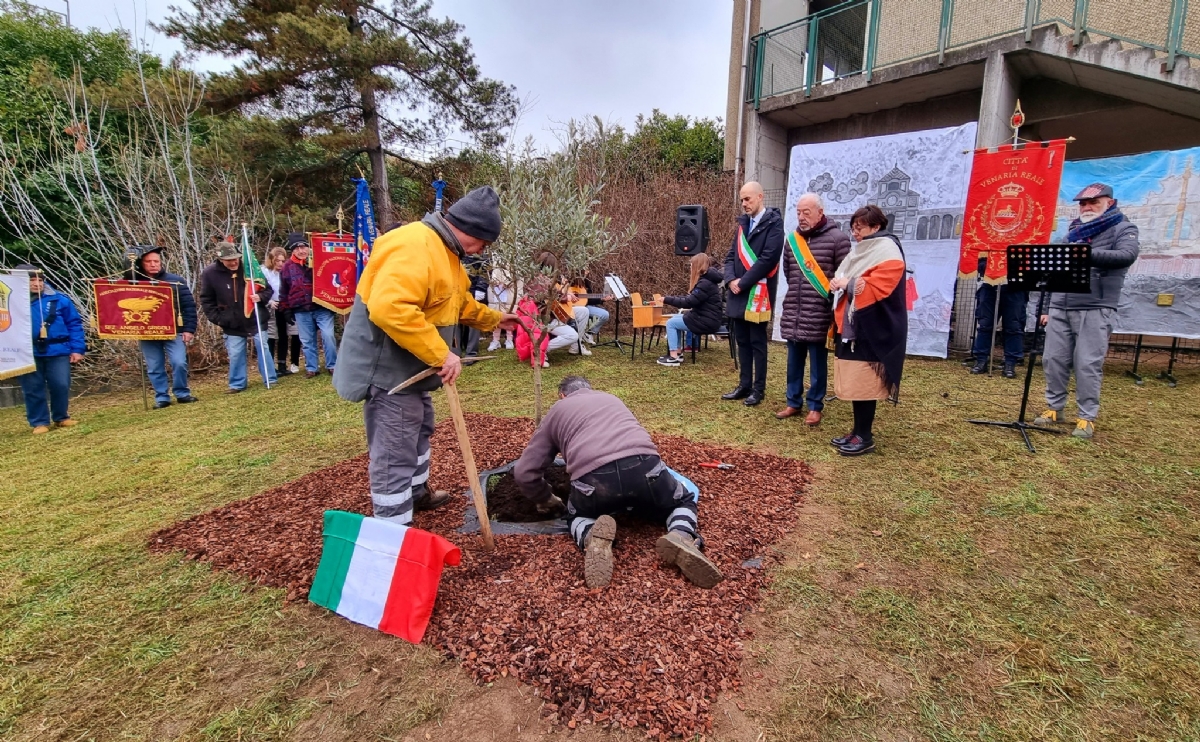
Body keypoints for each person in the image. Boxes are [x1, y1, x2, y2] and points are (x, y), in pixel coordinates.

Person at [333, 186, 519, 522]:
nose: (482, 250)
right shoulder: (413, 245)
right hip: (389, 370)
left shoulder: (446, 253)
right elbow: (391, 309)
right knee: (395, 445)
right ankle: (393, 528)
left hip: (412, 370)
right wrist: (441, 354)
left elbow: (455, 302)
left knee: (419, 428)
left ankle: (416, 494)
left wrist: (494, 318)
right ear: (471, 231)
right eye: (483, 242)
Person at [513, 375, 723, 589]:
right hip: (644, 469)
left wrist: (546, 499)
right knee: (682, 501)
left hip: (595, 482)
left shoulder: (558, 410)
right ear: (590, 389)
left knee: (576, 516)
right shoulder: (611, 399)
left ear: (562, 395)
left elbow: (524, 472)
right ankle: (682, 534)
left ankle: (591, 537)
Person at [1034, 183, 1139, 440]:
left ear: (1110, 203)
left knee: (1087, 363)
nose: (1087, 207)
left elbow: (1126, 256)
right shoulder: (1073, 231)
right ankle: (1054, 408)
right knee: (1053, 360)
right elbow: (1055, 269)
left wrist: (1082, 253)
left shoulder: (1123, 228)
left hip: (1095, 306)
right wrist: (1048, 306)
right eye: (1083, 203)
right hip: (1060, 304)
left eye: (1093, 202)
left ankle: (1086, 417)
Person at [829, 205, 908, 457]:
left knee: (865, 384)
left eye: (860, 227)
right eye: (853, 227)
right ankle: (856, 431)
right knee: (856, 382)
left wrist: (848, 283)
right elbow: (848, 277)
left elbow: (880, 287)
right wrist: (839, 282)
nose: (856, 232)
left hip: (871, 327)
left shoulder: (887, 250)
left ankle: (865, 436)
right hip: (854, 326)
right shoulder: (862, 250)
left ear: (876, 227)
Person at [777, 193, 851, 426]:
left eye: (806, 213)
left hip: (820, 311)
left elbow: (844, 276)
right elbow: (790, 274)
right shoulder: (792, 241)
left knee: (818, 363)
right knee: (793, 361)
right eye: (798, 212)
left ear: (820, 212)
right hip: (794, 311)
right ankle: (793, 401)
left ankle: (815, 406)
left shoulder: (838, 239)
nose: (801, 217)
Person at [722, 181, 784, 407]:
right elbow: (730, 257)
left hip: (758, 293)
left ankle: (759, 389)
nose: (744, 204)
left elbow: (769, 259)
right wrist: (730, 280)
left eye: (747, 199)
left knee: (758, 343)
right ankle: (744, 385)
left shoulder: (774, 224)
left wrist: (743, 282)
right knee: (742, 342)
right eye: (741, 200)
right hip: (738, 292)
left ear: (760, 196)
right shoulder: (742, 225)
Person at [14, 264, 86, 433]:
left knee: (60, 384)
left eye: (40, 280)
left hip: (58, 348)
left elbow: (74, 324)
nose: (37, 284)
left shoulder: (59, 300)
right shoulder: (12, 302)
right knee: (33, 388)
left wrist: (77, 349)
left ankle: (61, 417)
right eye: (32, 280)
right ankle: (39, 422)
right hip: (27, 351)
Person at [198, 241, 277, 393]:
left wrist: (260, 297)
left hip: (255, 317)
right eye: (229, 260)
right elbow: (206, 299)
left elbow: (268, 290)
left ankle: (270, 378)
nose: (234, 262)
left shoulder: (250, 269)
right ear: (221, 259)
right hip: (231, 322)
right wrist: (219, 318)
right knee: (235, 353)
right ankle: (237, 383)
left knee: (263, 348)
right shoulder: (210, 273)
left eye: (236, 258)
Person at [133, 247, 199, 407]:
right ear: (142, 264)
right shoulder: (134, 282)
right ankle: (162, 397)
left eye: (156, 261)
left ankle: (182, 392)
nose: (153, 264)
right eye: (149, 262)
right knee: (154, 366)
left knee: (179, 362)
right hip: (147, 333)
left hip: (173, 330)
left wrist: (189, 329)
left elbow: (188, 306)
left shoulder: (175, 281)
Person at [279, 239, 338, 378]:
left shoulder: (318, 260)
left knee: (328, 335)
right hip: (300, 307)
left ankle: (333, 365)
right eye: (297, 248)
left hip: (322, 306)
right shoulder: (287, 267)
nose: (301, 251)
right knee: (307, 340)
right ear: (292, 250)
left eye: (303, 247)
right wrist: (286, 309)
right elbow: (284, 290)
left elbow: (331, 279)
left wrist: (335, 301)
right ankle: (312, 367)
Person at [656, 253, 724, 366]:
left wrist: (666, 299)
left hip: (706, 321)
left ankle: (673, 357)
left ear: (697, 266)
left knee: (671, 323)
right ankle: (677, 353)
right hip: (707, 318)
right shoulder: (707, 281)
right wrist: (669, 298)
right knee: (675, 318)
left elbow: (689, 302)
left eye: (692, 265)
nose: (691, 268)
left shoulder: (704, 284)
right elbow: (691, 299)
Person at [969, 254, 1028, 378]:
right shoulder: (989, 239)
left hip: (1015, 287)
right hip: (989, 286)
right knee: (985, 324)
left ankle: (1010, 363)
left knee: (1014, 326)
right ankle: (981, 360)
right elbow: (978, 263)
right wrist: (992, 267)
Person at [261, 245, 295, 376]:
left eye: (282, 261)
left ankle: (282, 364)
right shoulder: (264, 271)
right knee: (271, 336)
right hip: (270, 306)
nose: (280, 264)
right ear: (272, 260)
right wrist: (269, 302)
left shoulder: (285, 272)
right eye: (277, 261)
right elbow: (262, 289)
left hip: (283, 306)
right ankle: (270, 367)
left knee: (283, 336)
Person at [458, 252, 489, 359]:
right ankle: (457, 352)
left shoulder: (479, 249)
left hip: (474, 290)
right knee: (457, 323)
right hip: (458, 291)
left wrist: (480, 288)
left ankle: (471, 353)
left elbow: (485, 270)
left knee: (473, 323)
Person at [487, 264, 517, 351]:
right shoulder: (495, 268)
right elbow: (492, 279)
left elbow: (514, 279)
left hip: (509, 296)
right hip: (495, 296)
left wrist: (506, 283)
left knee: (508, 317)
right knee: (496, 318)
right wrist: (495, 283)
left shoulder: (514, 266)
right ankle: (495, 340)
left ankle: (509, 339)